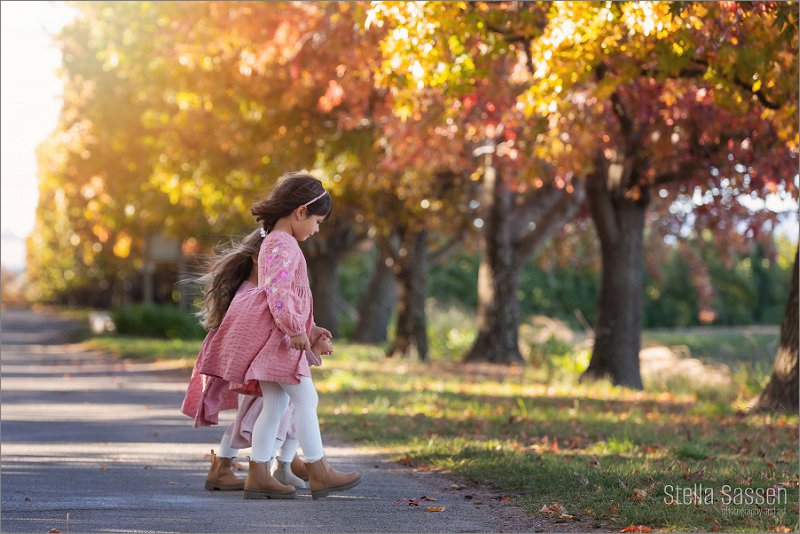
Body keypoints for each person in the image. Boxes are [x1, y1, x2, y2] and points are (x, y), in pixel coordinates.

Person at [198, 172, 361, 500]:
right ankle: (319, 470)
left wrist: (311, 329)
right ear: (301, 212)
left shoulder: (276, 242)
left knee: (275, 403)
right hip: (278, 338)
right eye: (317, 221)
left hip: (279, 335)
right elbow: (278, 292)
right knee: (306, 399)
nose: (316, 230)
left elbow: (290, 294)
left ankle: (259, 473)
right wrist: (294, 329)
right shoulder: (281, 243)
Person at [181, 227, 332, 493]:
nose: (281, 263)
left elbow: (286, 316)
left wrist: (311, 332)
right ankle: (247, 466)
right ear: (256, 257)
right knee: (265, 412)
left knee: (281, 409)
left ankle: (275, 465)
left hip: (267, 360)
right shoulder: (254, 292)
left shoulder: (260, 289)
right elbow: (271, 318)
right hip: (257, 363)